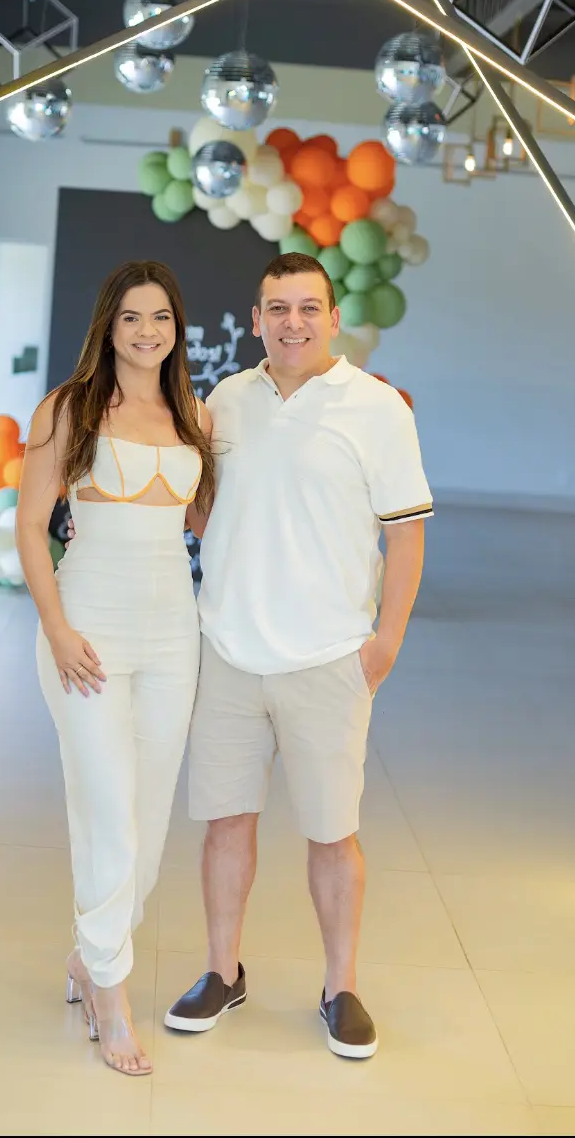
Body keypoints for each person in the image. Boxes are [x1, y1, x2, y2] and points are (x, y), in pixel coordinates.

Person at [164, 251, 432, 1059]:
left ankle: (340, 987)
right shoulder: (226, 400)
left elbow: (406, 533)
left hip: (329, 658)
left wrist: (384, 643)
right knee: (225, 822)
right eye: (277, 308)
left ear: (333, 318)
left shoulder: (378, 408)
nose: (293, 322)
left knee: (332, 832)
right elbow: (203, 507)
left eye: (309, 307)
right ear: (256, 320)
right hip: (229, 651)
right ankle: (222, 971)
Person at [16, 260, 214, 1077]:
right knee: (107, 810)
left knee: (151, 820)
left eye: (160, 317)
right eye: (131, 316)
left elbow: (207, 520)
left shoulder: (194, 412)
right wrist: (57, 628)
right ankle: (111, 991)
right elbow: (30, 526)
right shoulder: (68, 407)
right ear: (109, 324)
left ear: (176, 328)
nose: (146, 331)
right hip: (89, 631)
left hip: (173, 635)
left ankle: (91, 952)